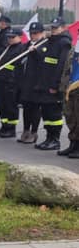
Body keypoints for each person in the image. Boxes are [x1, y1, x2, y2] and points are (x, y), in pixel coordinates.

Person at [33, 17, 73, 150]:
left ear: (63, 28)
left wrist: (56, 85)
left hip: (54, 85)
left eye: (56, 28)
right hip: (44, 83)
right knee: (46, 113)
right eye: (52, 27)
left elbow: (61, 66)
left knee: (54, 114)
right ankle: (49, 138)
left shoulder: (64, 43)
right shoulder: (50, 41)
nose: (53, 30)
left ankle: (55, 140)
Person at [0, 26, 28, 137]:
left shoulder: (22, 49)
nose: (10, 39)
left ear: (19, 37)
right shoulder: (7, 48)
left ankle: (11, 129)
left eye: (13, 37)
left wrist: (2, 63)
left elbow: (18, 65)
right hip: (2, 80)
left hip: (12, 82)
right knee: (2, 105)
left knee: (10, 106)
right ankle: (4, 126)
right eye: (9, 37)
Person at [18, 22, 47, 143]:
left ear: (42, 33)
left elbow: (44, 60)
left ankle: (34, 132)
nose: (33, 35)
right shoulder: (26, 45)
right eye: (31, 33)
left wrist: (35, 51)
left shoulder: (45, 45)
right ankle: (26, 130)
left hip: (37, 82)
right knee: (26, 108)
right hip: (26, 82)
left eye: (36, 33)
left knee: (35, 108)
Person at [58, 38, 79, 158]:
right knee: (70, 116)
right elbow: (67, 68)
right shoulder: (74, 48)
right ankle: (73, 143)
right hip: (70, 87)